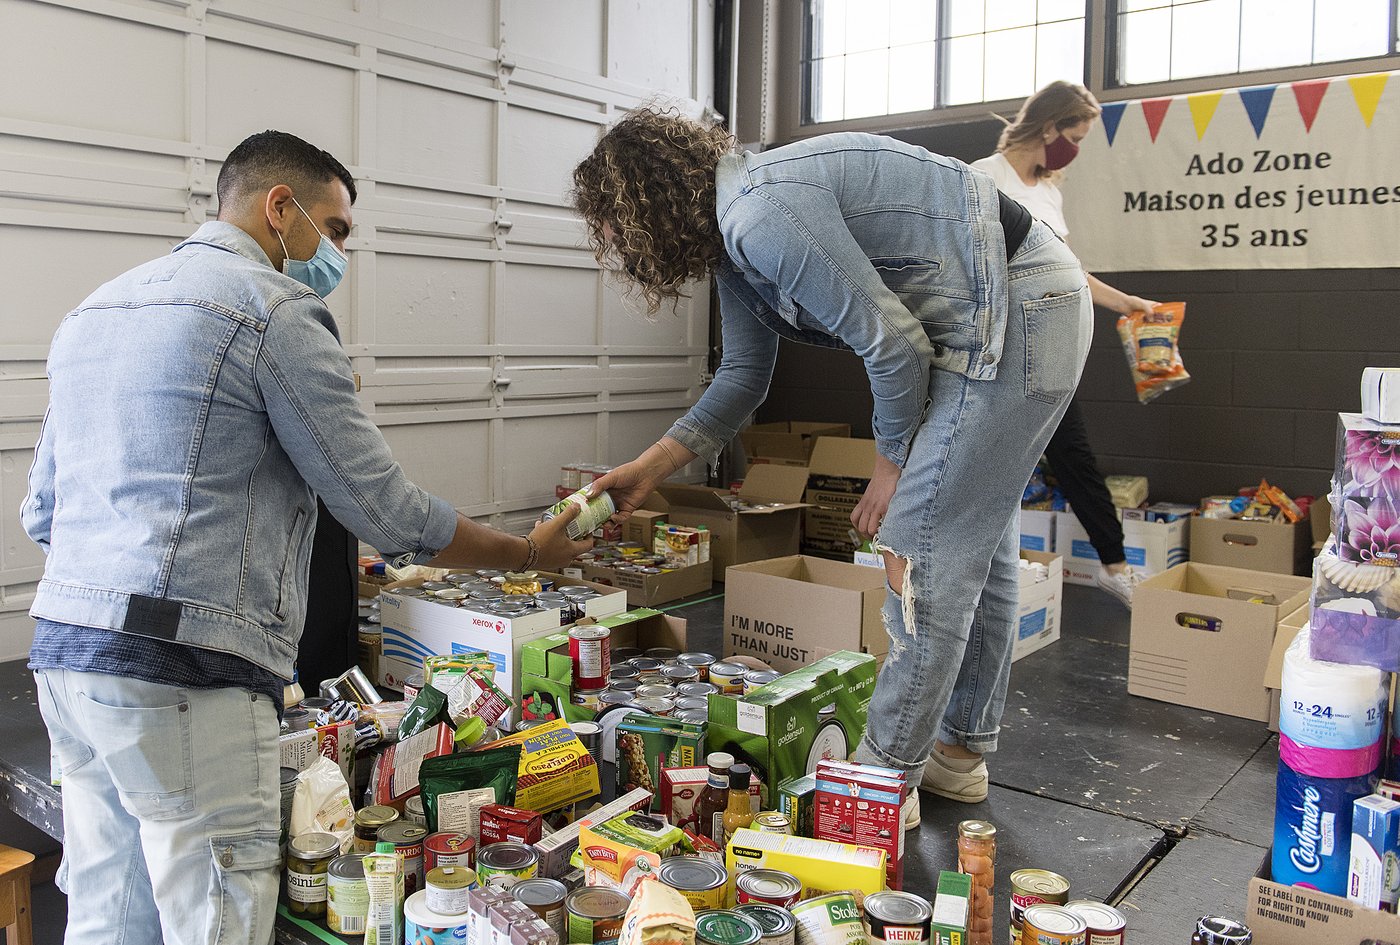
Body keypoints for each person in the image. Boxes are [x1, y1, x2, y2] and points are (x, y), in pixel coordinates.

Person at [22, 130, 590, 945]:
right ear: (280, 207)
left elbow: (41, 513)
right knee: (214, 914)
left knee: (109, 913)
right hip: (186, 672)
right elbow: (386, 512)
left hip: (67, 661)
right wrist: (528, 551)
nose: (339, 254)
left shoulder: (94, 311)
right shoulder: (277, 310)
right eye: (337, 228)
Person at [572, 107, 1092, 820]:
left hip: (1020, 308)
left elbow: (893, 345)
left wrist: (890, 465)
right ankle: (956, 755)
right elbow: (743, 377)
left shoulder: (759, 212)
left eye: (609, 224)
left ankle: (879, 788)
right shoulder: (734, 232)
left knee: (918, 550)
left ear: (642, 204)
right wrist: (649, 468)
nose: (610, 242)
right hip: (1014, 307)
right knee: (978, 541)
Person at [971, 81, 1159, 608]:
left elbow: (1070, 270)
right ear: (1049, 126)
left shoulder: (1049, 191)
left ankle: (1114, 568)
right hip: (1001, 345)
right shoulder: (985, 177)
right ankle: (981, 567)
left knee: (1073, 455)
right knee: (991, 457)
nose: (1074, 150)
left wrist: (1126, 303)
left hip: (1051, 343)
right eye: (1074, 138)